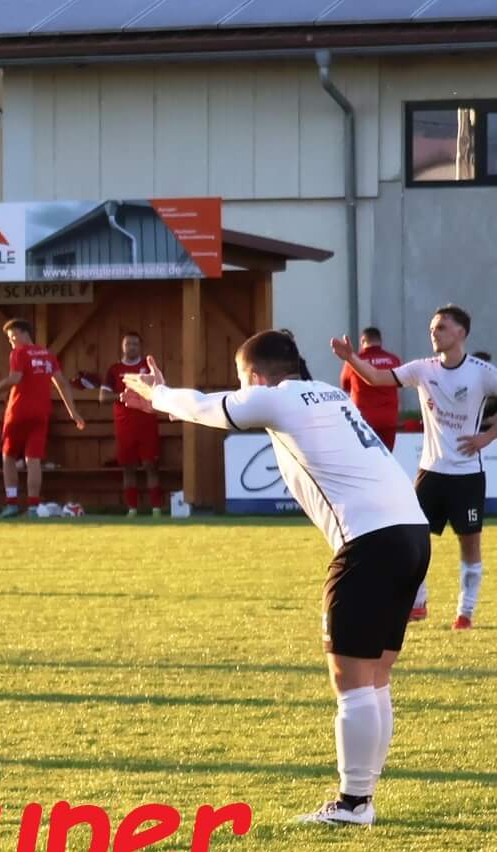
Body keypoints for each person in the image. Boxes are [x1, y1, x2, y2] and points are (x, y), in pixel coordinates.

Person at [129, 331, 428, 825]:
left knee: (352, 681)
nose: (241, 389)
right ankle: (361, 798)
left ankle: (353, 804)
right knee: (375, 678)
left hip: (371, 543)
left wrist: (156, 393)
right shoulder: (330, 395)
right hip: (410, 534)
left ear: (255, 377)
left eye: (241, 380)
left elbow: (206, 406)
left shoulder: (278, 398)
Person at [335, 305, 497, 630]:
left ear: (461, 333)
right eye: (432, 328)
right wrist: (351, 357)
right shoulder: (424, 369)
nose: (434, 332)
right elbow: (377, 378)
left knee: (469, 545)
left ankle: (465, 613)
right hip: (430, 472)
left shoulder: (481, 372)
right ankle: (418, 603)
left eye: (441, 327)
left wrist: (487, 436)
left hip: (466, 475)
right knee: (412, 539)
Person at [0, 318, 86, 518]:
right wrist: (72, 412)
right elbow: (62, 383)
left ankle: (11, 504)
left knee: (8, 457)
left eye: (12, 337)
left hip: (18, 412)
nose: (11, 341)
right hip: (41, 413)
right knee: (33, 460)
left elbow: (14, 378)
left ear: (22, 333)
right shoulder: (48, 355)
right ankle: (33, 507)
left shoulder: (18, 353)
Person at [102, 332, 165, 515]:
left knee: (150, 466)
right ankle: (132, 509)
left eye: (135, 344)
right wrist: (121, 396)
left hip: (147, 424)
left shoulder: (147, 368)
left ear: (140, 347)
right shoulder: (114, 369)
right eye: (128, 344)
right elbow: (103, 397)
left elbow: (161, 390)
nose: (131, 347)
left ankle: (156, 509)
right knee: (128, 467)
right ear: (122, 347)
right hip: (125, 426)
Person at [339, 327, 400, 451]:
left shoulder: (354, 361)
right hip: (388, 420)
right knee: (386, 457)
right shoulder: (394, 360)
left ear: (362, 341)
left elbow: (345, 385)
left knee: (364, 458)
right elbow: (400, 383)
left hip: (363, 420)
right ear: (380, 341)